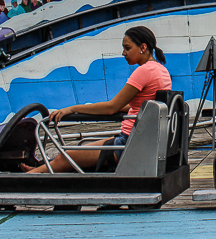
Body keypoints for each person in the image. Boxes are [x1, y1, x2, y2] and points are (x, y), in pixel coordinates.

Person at [23, 26, 171, 173]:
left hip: (129, 143)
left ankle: (30, 176)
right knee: (69, 156)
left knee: (66, 157)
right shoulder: (161, 70)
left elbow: (111, 107)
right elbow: (140, 106)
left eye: (127, 48)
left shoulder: (144, 71)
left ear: (143, 47)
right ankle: (40, 169)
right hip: (141, 140)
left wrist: (73, 109)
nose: (123, 53)